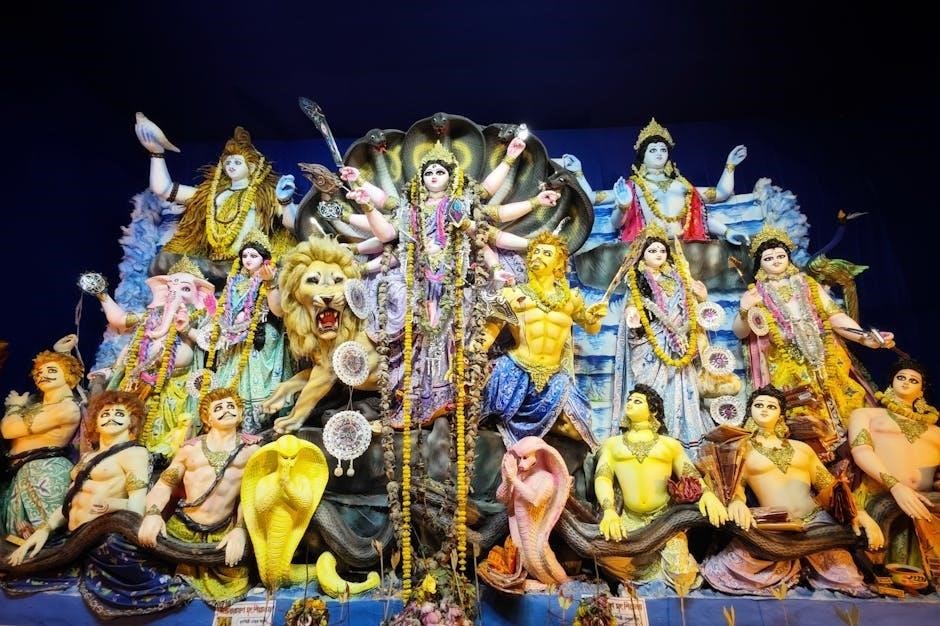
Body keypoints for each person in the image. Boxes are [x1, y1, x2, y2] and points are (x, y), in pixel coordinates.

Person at [340, 140, 558, 426]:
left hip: (455, 288)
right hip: (417, 287)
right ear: (421, 179)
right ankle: (414, 402)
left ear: (451, 176)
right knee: (416, 338)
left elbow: (490, 230)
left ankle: (452, 401)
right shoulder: (410, 210)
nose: (433, 177)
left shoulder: (461, 205)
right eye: (428, 172)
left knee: (455, 340)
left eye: (439, 172)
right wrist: (365, 199)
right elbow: (386, 234)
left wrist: (516, 169)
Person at [5, 391, 189, 617]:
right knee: (21, 568)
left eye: (119, 413)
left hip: (104, 536)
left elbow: (138, 506)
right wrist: (45, 529)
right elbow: (69, 502)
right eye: (105, 413)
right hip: (71, 536)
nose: (111, 417)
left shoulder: (134, 453)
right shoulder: (86, 458)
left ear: (132, 421)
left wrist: (114, 504)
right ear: (95, 421)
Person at [701, 386, 882, 596]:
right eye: (759, 405)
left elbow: (830, 487)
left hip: (817, 525)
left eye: (772, 406)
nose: (765, 409)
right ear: (750, 411)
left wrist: (859, 513)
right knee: (729, 570)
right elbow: (735, 486)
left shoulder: (802, 448)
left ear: (781, 413)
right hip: (774, 527)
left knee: (846, 577)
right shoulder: (741, 450)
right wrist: (736, 502)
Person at [734, 225, 895, 454]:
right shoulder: (755, 293)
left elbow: (835, 317)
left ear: (789, 258)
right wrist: (744, 308)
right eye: (768, 258)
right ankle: (818, 460)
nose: (776, 261)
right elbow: (740, 333)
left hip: (825, 353)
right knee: (802, 411)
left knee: (846, 399)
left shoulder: (808, 284)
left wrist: (864, 338)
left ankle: (861, 453)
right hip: (786, 360)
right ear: (760, 264)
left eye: (780, 256)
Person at [594, 384, 728, 591]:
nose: (630, 404)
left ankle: (659, 573)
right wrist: (609, 511)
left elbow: (689, 473)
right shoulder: (612, 444)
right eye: (629, 400)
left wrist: (707, 495)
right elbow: (602, 478)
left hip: (665, 519)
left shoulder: (669, 445)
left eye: (637, 401)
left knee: (682, 575)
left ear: (653, 411)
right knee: (606, 559)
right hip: (629, 519)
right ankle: (644, 577)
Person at [480, 231, 606, 449]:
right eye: (536, 252)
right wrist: (469, 359)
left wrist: (595, 318)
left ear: (559, 264)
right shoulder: (512, 294)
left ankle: (536, 427)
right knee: (488, 415)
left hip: (554, 376)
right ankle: (514, 424)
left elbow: (591, 327)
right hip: (515, 370)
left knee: (576, 430)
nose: (538, 256)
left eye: (547, 253)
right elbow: (489, 332)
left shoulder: (571, 299)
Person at [137, 388, 260, 606]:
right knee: (137, 554)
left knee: (237, 571)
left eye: (231, 406)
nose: (226, 410)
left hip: (222, 534)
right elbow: (164, 485)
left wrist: (240, 530)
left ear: (241, 413)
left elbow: (250, 497)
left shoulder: (251, 451)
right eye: (218, 408)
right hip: (181, 529)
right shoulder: (189, 450)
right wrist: (153, 514)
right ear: (207, 418)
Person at [134, 113, 298, 262]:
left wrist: (285, 201)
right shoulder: (210, 194)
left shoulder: (266, 196)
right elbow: (164, 189)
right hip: (212, 262)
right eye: (228, 162)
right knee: (162, 261)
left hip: (247, 265)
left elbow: (294, 225)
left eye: (237, 162)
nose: (231, 166)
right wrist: (156, 153)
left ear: (252, 167)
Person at [100, 256, 216, 457]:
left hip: (177, 386)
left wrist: (186, 329)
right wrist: (102, 294)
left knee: (171, 432)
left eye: (185, 289)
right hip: (140, 382)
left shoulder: (201, 318)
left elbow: (212, 342)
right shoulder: (150, 317)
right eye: (171, 288)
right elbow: (120, 320)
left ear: (199, 295)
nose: (176, 294)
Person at [612, 223, 713, 452]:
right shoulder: (637, 278)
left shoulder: (678, 277)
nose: (658, 254)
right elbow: (632, 306)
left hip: (678, 342)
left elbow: (692, 308)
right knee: (650, 387)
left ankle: (682, 441)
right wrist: (632, 315)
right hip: (651, 343)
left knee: (680, 387)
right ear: (642, 255)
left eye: (662, 250)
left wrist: (702, 296)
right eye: (652, 251)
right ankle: (648, 438)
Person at [849, 359, 940, 576]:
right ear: (891, 383)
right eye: (901, 377)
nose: (906, 382)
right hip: (881, 493)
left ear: (922, 391)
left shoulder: (936, 431)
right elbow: (861, 451)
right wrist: (896, 486)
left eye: (913, 380)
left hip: (928, 499)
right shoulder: (866, 415)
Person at [199, 229, 292, 432]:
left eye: (253, 256)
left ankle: (259, 421)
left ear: (264, 259)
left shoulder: (271, 277)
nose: (248, 260)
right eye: (245, 255)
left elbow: (278, 311)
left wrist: (270, 283)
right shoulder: (235, 282)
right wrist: (213, 308)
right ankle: (229, 420)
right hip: (234, 339)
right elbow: (226, 312)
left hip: (260, 337)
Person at [612, 118, 748, 244]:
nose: (659, 153)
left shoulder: (682, 186)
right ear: (642, 157)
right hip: (651, 249)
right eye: (652, 150)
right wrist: (623, 206)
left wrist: (730, 165)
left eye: (663, 149)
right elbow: (616, 223)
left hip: (683, 246)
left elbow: (720, 195)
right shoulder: (632, 188)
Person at [1, 349, 83, 538]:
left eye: (52, 370)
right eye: (39, 372)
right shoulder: (37, 406)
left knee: (46, 539)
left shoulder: (67, 407)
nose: (43, 375)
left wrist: (14, 406)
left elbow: (9, 430)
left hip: (44, 474)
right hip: (20, 473)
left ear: (69, 376)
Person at [478, 436, 572, 591]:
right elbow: (501, 498)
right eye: (519, 458)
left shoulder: (547, 478)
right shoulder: (521, 477)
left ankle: (566, 583)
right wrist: (508, 480)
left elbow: (535, 499)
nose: (521, 463)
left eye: (525, 458)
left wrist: (514, 480)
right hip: (519, 531)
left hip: (535, 528)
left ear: (539, 455)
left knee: (540, 557)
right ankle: (549, 586)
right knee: (526, 560)